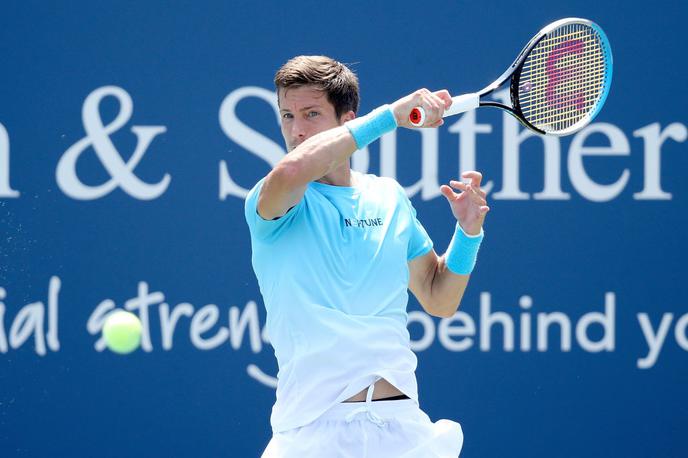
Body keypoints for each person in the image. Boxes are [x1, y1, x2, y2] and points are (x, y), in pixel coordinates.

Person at [244, 55, 489, 458]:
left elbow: (438, 297)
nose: (296, 130)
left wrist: (468, 234)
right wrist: (391, 116)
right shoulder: (273, 199)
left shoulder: (388, 196)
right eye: (287, 115)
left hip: (403, 432)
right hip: (313, 433)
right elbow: (292, 172)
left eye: (311, 114)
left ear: (346, 119)